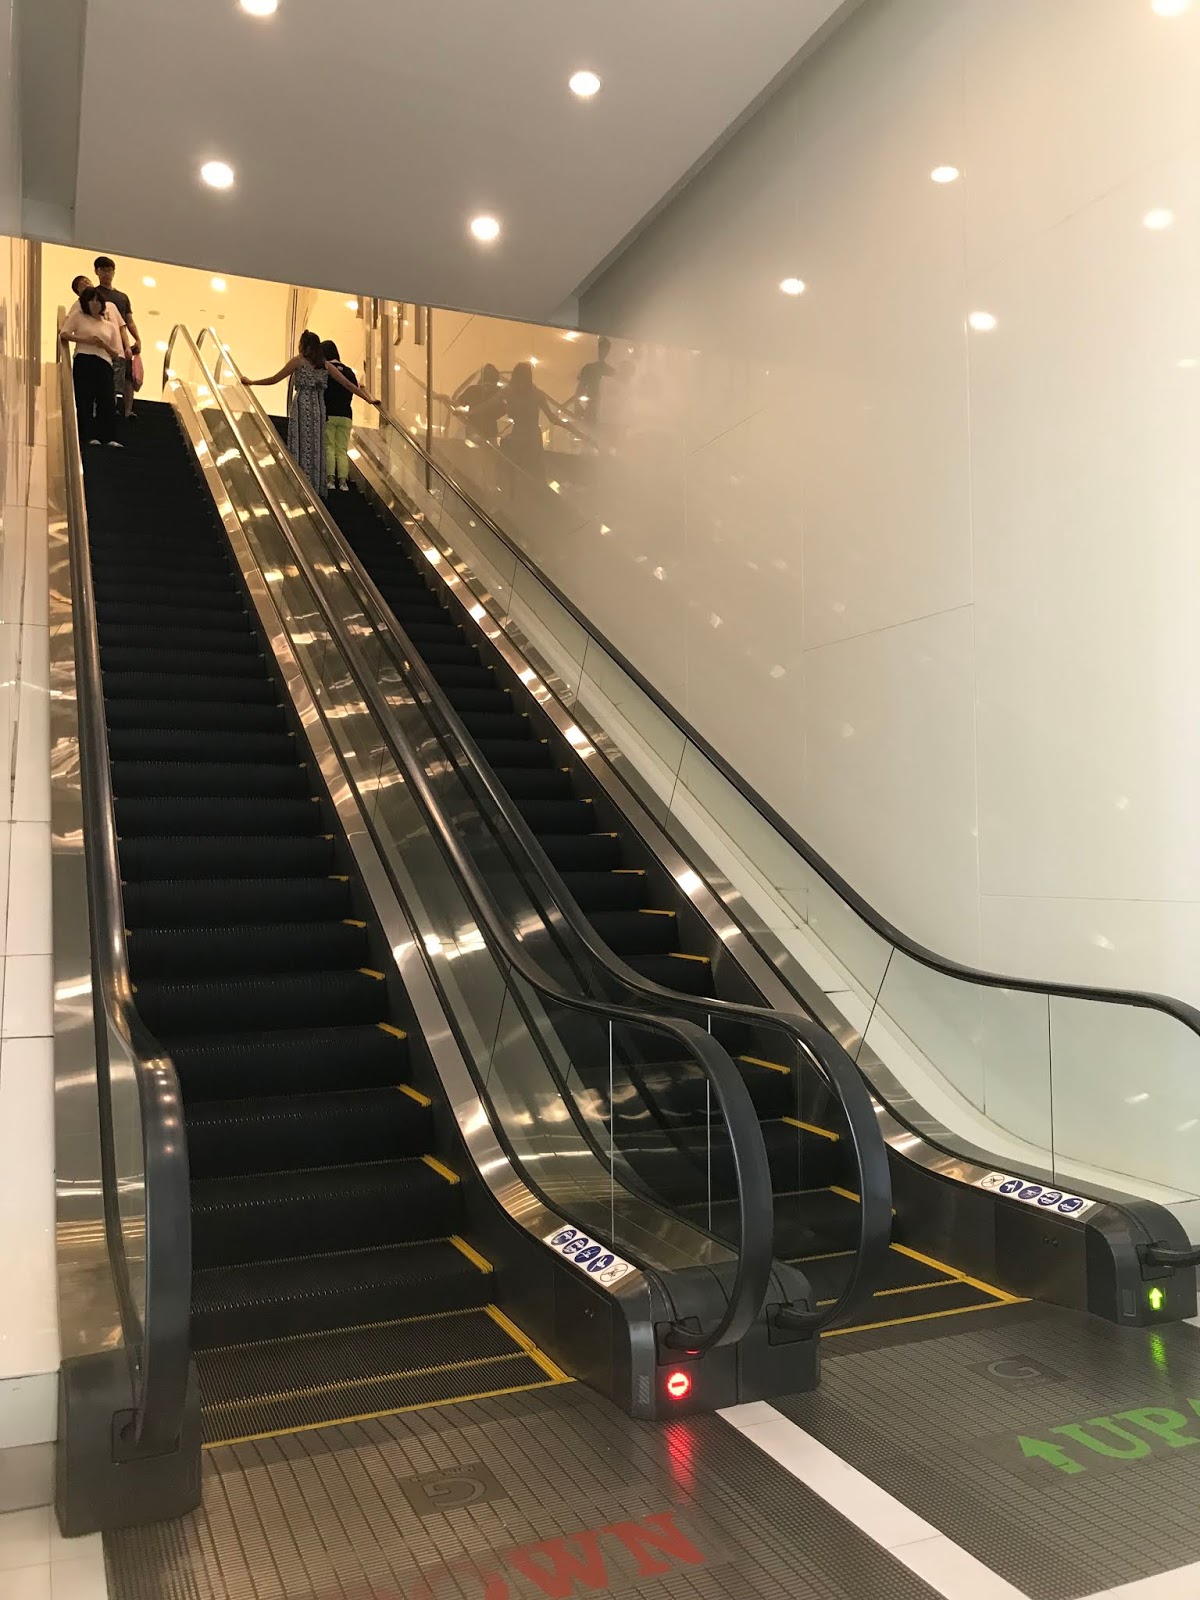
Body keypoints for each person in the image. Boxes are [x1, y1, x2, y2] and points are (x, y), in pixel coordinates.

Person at [244, 331, 377, 495]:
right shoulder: (324, 365)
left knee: (301, 443)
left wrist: (252, 382)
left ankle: (300, 483)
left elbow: (275, 378)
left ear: (304, 345)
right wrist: (368, 399)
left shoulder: (298, 361)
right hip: (318, 408)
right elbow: (348, 384)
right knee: (317, 446)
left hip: (302, 406)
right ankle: (316, 484)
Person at [59, 286, 124, 447]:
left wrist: (103, 345)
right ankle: (87, 435)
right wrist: (86, 340)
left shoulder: (109, 326)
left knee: (107, 399)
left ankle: (108, 436)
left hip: (104, 362)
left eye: (97, 300)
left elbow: (116, 353)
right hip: (84, 358)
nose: (95, 303)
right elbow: (64, 333)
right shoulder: (78, 317)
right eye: (91, 300)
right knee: (85, 398)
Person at [500, 362, 582, 481]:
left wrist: (474, 412)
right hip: (532, 436)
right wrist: (567, 426)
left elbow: (491, 404)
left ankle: (518, 489)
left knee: (518, 469)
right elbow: (552, 418)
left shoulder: (509, 393)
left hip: (519, 435)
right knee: (533, 469)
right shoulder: (536, 394)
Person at [93, 257, 140, 420]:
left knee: (127, 377)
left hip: (121, 343)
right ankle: (107, 410)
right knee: (106, 378)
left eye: (109, 270)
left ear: (114, 272)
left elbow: (128, 321)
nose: (107, 273)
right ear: (97, 272)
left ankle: (128, 411)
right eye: (103, 270)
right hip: (102, 342)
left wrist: (137, 339)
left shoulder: (122, 297)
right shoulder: (94, 294)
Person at [318, 339, 360, 492]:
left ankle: (330, 480)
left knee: (329, 447)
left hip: (329, 414)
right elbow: (353, 389)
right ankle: (343, 482)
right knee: (342, 450)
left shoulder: (325, 369)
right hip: (346, 415)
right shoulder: (349, 372)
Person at [71, 274, 131, 372]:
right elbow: (65, 328)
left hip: (117, 354)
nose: (87, 286)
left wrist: (127, 347)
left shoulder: (110, 305)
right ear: (78, 292)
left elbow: (122, 327)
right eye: (82, 286)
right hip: (96, 355)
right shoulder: (78, 306)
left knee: (117, 380)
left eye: (87, 282)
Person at [455, 364, 506, 448]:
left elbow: (457, 404)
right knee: (490, 453)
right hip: (489, 434)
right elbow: (503, 411)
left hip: (475, 433)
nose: (487, 389)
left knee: (472, 452)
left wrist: (447, 400)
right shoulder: (497, 393)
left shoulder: (472, 390)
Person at [571, 336, 616, 428]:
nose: (603, 351)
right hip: (591, 405)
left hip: (605, 409)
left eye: (605, 348)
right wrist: (578, 406)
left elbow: (614, 391)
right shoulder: (589, 368)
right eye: (601, 348)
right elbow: (581, 387)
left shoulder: (611, 371)